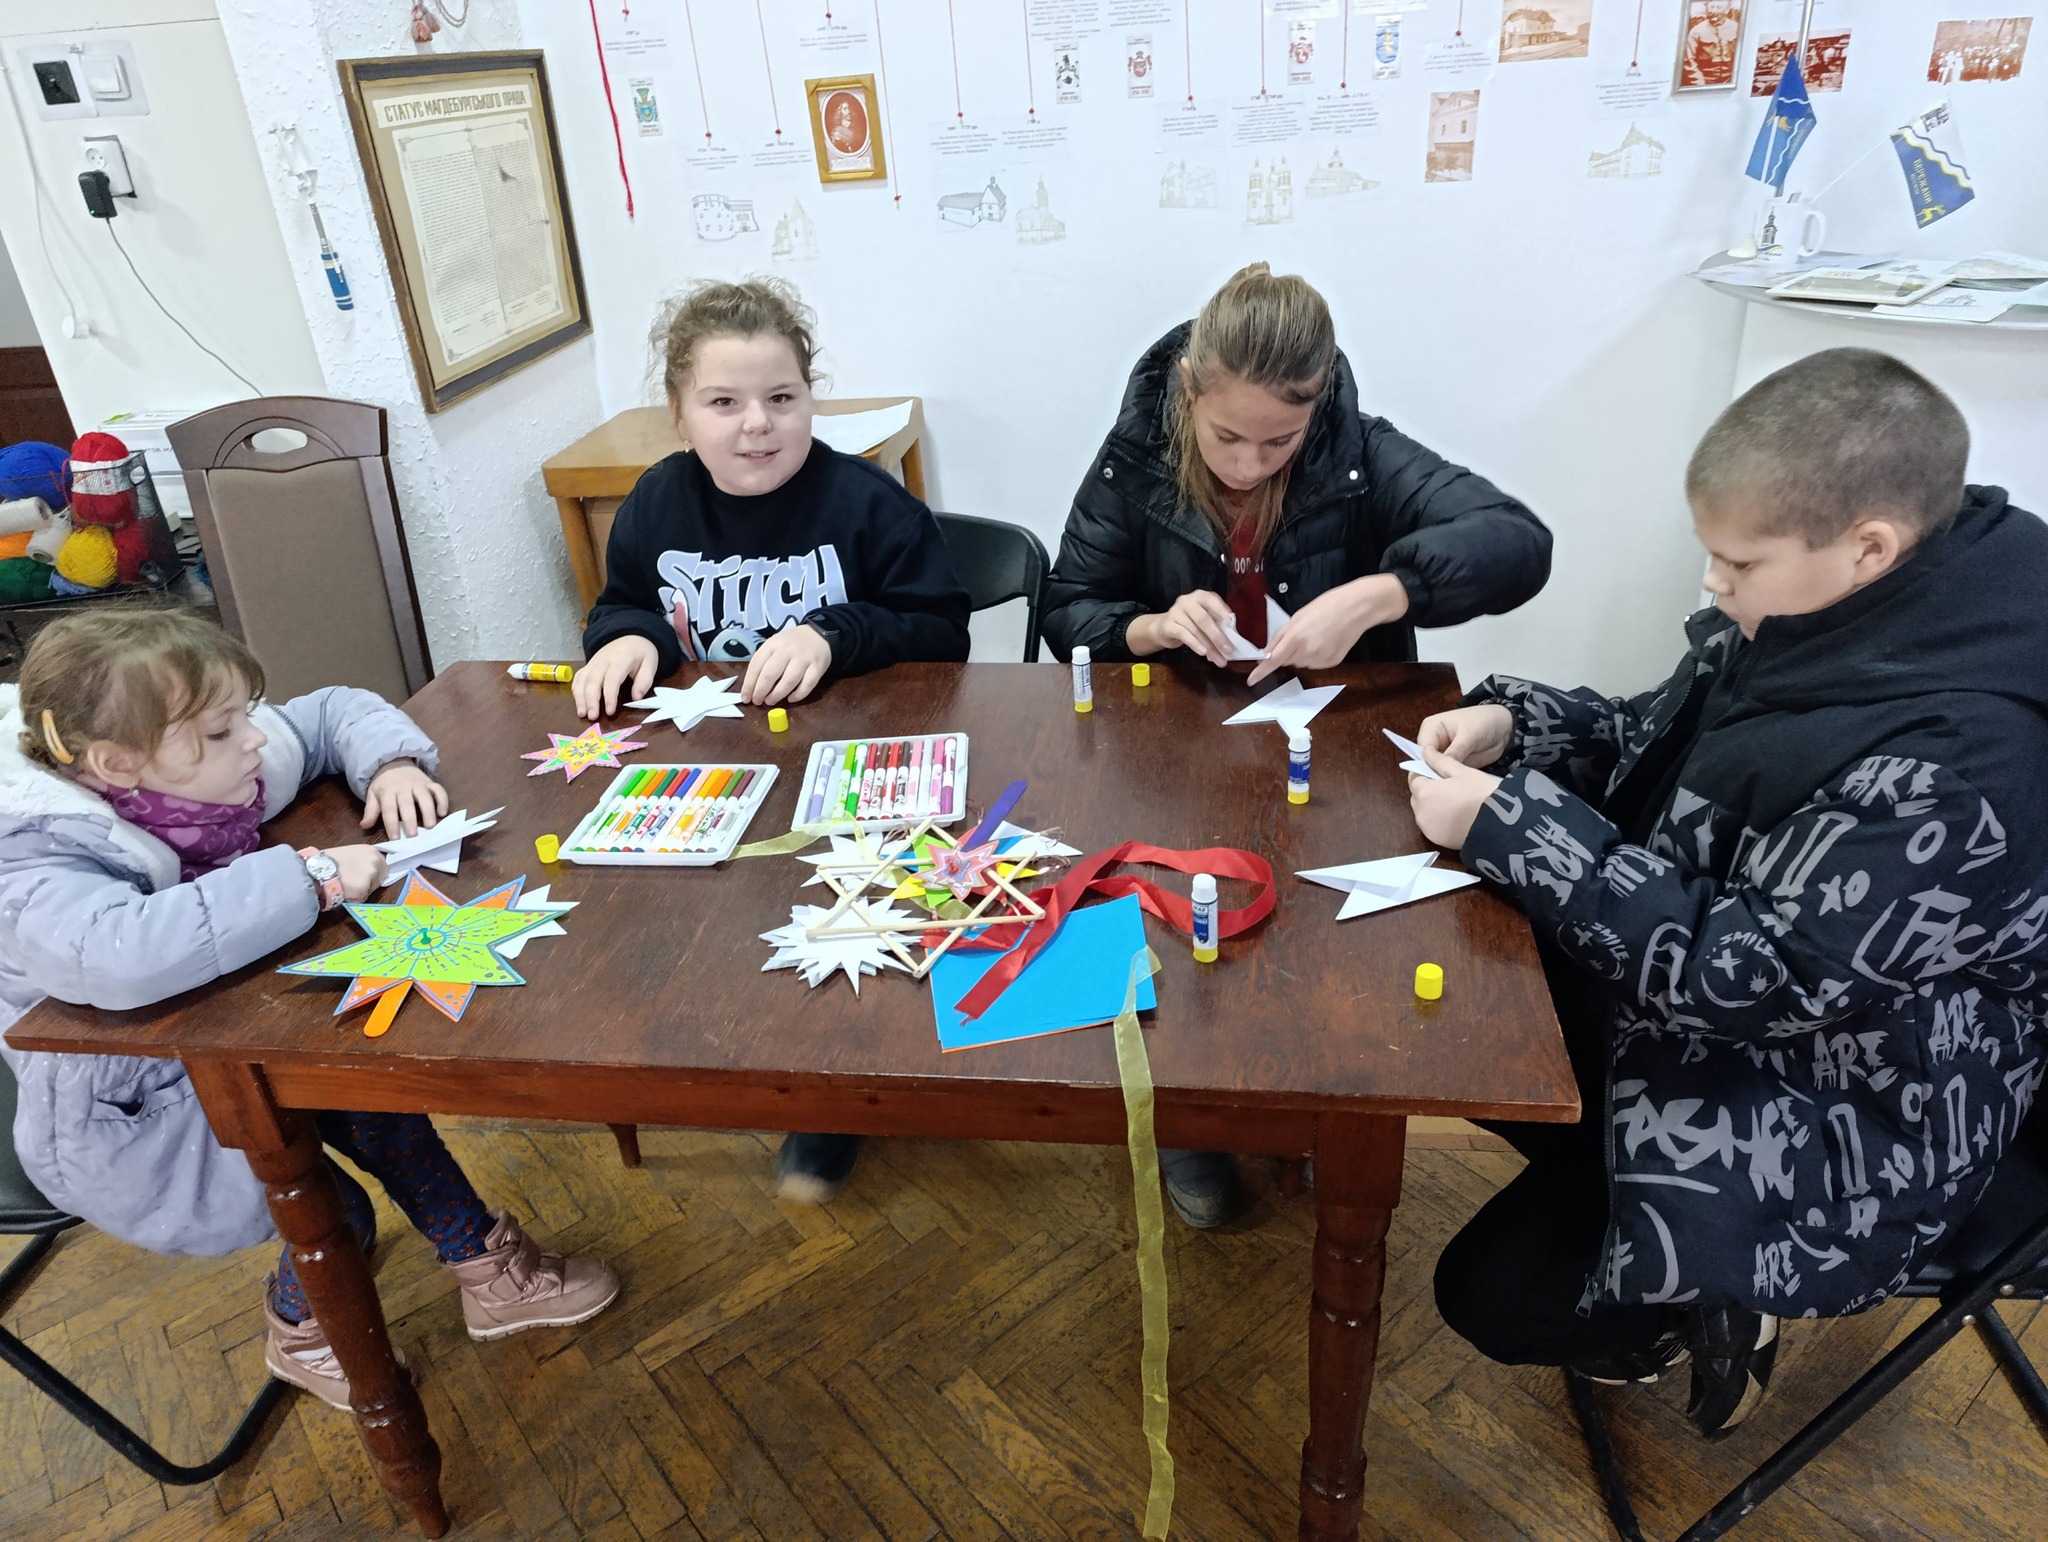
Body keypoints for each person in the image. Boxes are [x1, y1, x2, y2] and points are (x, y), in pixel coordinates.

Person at [1410, 348, 2048, 1436]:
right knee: (1451, 1016)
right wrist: (1519, 727)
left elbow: (1756, 976)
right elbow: (1655, 737)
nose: (1713, 583)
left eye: (1736, 561)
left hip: (1855, 1106)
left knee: (1494, 1298)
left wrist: (1512, 826)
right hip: (1717, 999)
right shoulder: (1829, 608)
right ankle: (1632, 1222)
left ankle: (1709, 1302)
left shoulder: (1960, 760)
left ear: (1867, 547)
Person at [0, 611, 619, 1411]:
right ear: (117, 764)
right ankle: (299, 1329)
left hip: (226, 1036)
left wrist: (392, 762)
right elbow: (118, 953)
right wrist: (311, 878)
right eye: (221, 731)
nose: (253, 740)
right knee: (334, 1210)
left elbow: (329, 713)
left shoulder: (200, 769)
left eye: (244, 716)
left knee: (371, 1099)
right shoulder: (35, 854)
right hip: (124, 1112)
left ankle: (483, 1264)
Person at [1042, 261, 1551, 1227]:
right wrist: (1150, 626)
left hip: (1334, 757)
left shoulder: (1356, 455)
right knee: (1179, 927)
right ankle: (1188, 1120)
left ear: (1315, 412)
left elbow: (1518, 542)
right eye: (1225, 436)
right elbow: (1065, 605)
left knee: (1325, 943)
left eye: (1278, 441)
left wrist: (1382, 594)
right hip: (1178, 756)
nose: (1247, 464)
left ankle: (1317, 1108)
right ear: (1187, 392)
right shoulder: (1136, 456)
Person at [575, 276, 971, 1203]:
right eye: (724, 402)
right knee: (707, 923)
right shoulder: (654, 504)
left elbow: (942, 628)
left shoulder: (868, 503)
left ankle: (838, 1097)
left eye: (781, 398)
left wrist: (835, 633)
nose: (757, 424)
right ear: (679, 413)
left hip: (853, 767)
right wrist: (625, 637)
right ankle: (742, 1060)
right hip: (711, 772)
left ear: (809, 399)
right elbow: (625, 602)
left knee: (845, 918)